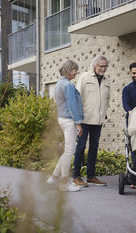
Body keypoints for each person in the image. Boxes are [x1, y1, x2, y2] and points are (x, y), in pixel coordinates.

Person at [72, 56, 109, 187]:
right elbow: (77, 98)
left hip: (98, 121)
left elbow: (106, 99)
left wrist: (104, 114)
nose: (103, 69)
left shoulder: (106, 80)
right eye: (101, 66)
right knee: (81, 146)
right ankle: (76, 176)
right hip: (84, 119)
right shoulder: (85, 77)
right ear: (95, 66)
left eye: (105, 66)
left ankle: (91, 176)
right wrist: (77, 120)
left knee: (94, 147)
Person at [47, 60, 84, 192]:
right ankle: (64, 183)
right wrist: (78, 123)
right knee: (69, 151)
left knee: (68, 151)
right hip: (69, 120)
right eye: (75, 70)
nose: (76, 72)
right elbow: (72, 106)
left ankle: (53, 178)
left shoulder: (59, 83)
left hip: (62, 119)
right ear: (68, 70)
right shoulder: (67, 85)